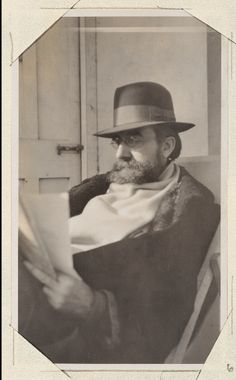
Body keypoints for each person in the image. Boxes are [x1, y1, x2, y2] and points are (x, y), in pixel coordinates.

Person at [19, 82, 220, 363]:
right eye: (117, 141)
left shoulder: (188, 210)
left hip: (74, 334)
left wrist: (95, 307)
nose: (120, 154)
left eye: (134, 139)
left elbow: (169, 310)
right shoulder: (100, 188)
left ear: (167, 145)